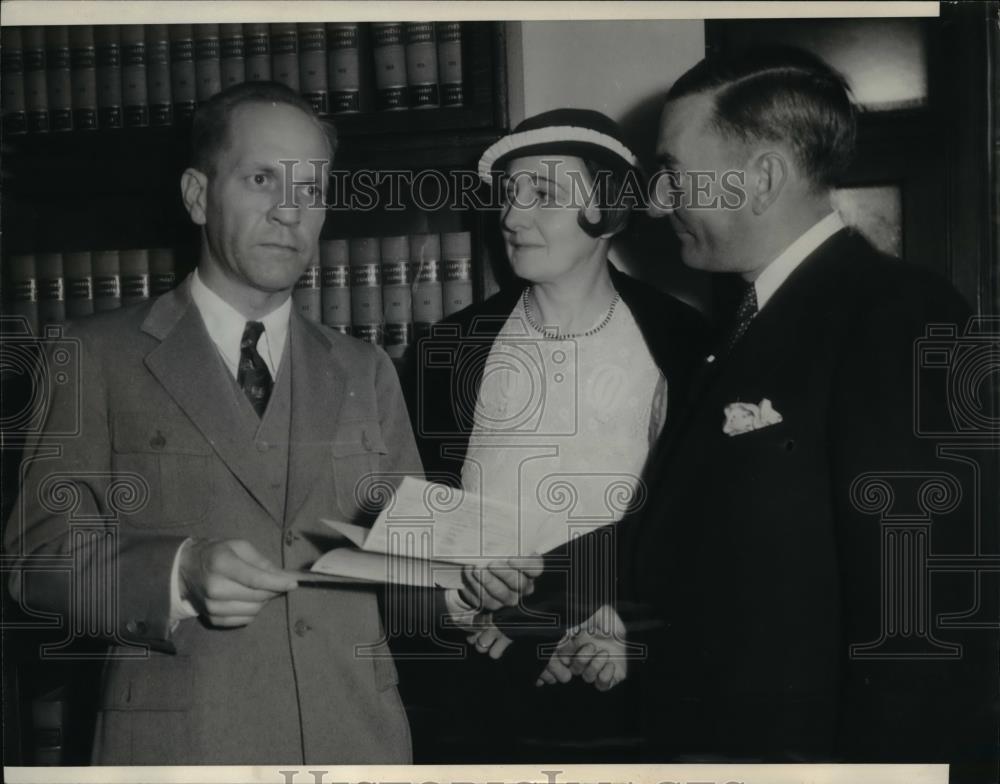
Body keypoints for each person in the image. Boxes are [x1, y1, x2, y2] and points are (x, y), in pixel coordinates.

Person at [482, 47, 997, 770]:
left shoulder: (902, 316)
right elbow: (692, 531)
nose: (659, 201)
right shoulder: (744, 327)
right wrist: (522, 573)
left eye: (676, 173)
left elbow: (923, 623)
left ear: (760, 179)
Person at [4, 81, 421, 765]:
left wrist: (469, 586)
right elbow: (34, 560)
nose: (291, 211)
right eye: (263, 179)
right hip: (178, 750)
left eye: (313, 189)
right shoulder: (95, 355)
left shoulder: (365, 366)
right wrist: (176, 572)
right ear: (198, 196)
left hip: (357, 742)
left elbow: (409, 576)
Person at [398, 108, 708, 762]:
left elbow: (701, 521)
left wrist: (620, 619)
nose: (512, 217)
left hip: (627, 671)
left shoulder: (687, 344)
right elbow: (416, 510)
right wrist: (463, 597)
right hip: (482, 682)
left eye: (542, 193)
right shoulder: (448, 349)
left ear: (610, 211)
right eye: (508, 195)